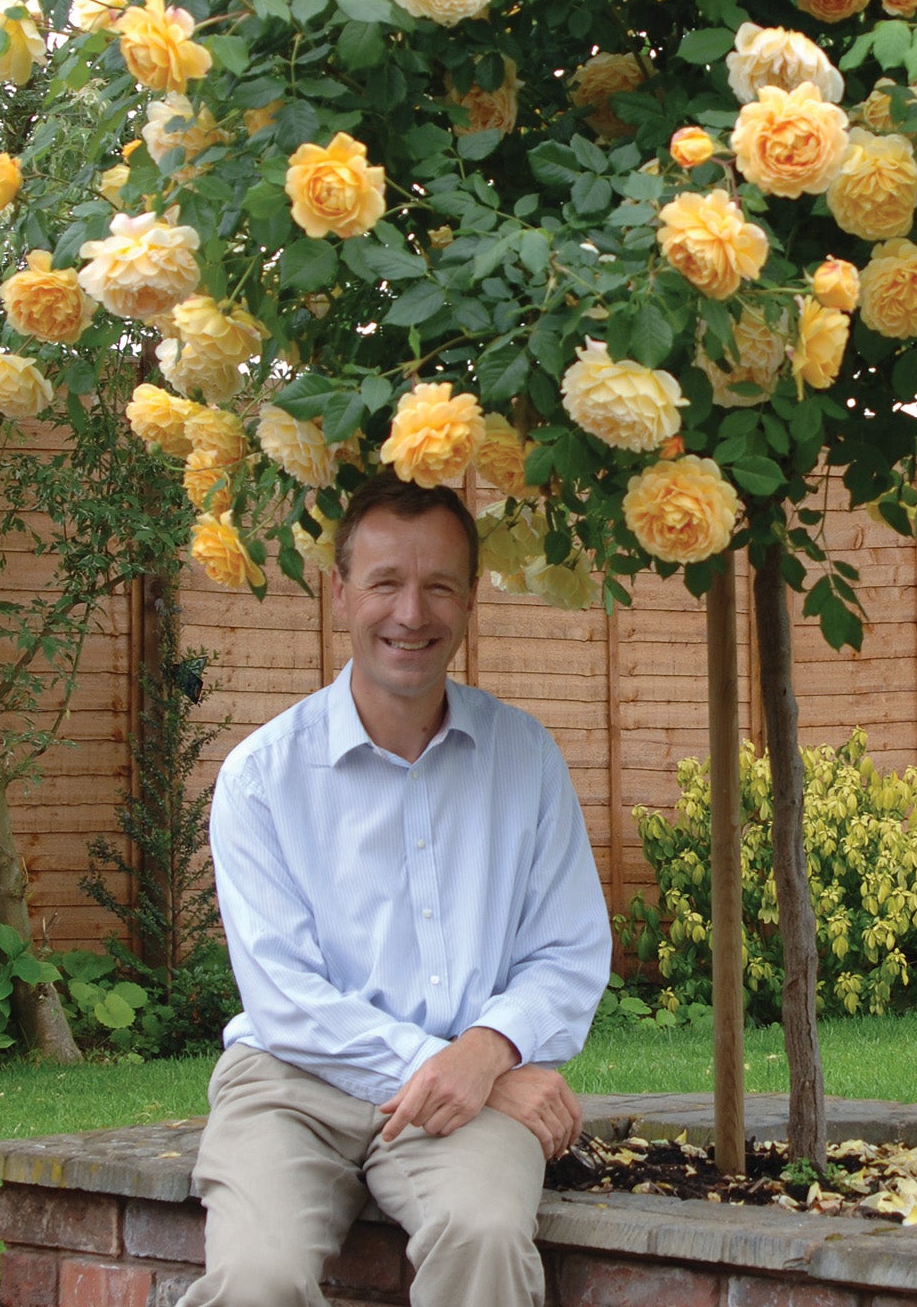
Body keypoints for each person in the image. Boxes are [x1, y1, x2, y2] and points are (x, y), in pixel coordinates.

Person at [185, 472, 611, 1307]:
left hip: (466, 1095)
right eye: (385, 583)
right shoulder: (262, 778)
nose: (411, 614)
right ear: (340, 590)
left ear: (470, 599)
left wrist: (485, 1054)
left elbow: (568, 951)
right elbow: (286, 1000)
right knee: (253, 1282)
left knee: (486, 1242)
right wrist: (457, 1067)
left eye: (437, 587)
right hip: (290, 1084)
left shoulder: (524, 758)